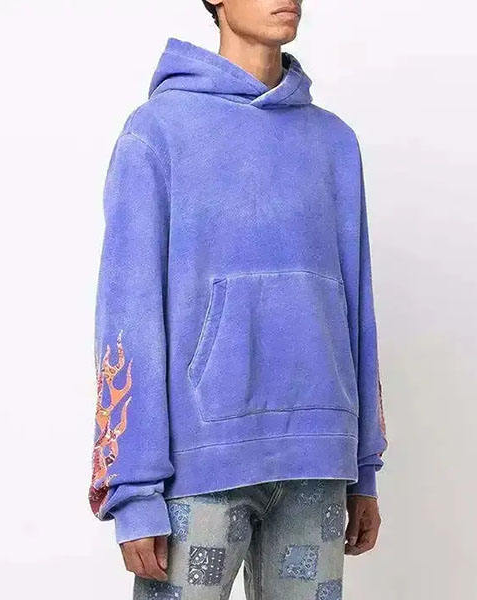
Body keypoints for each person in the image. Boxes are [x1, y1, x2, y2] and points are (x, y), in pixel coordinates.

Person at [88, 1, 388, 598]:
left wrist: (363, 469)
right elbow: (128, 313)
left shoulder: (334, 142)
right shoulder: (157, 133)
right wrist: (134, 490)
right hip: (198, 469)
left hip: (316, 461)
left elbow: (357, 302)